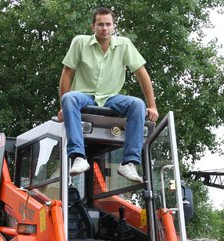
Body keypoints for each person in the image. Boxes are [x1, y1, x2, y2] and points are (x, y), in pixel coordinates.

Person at [57, 7, 158, 183]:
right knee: (69, 98)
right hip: (84, 95)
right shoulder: (80, 42)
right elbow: (67, 74)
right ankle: (78, 157)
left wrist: (153, 105)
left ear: (113, 27)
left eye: (108, 24)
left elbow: (142, 74)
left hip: (111, 97)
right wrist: (63, 108)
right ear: (93, 27)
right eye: (100, 24)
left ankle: (129, 162)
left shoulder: (124, 45)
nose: (104, 28)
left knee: (137, 105)